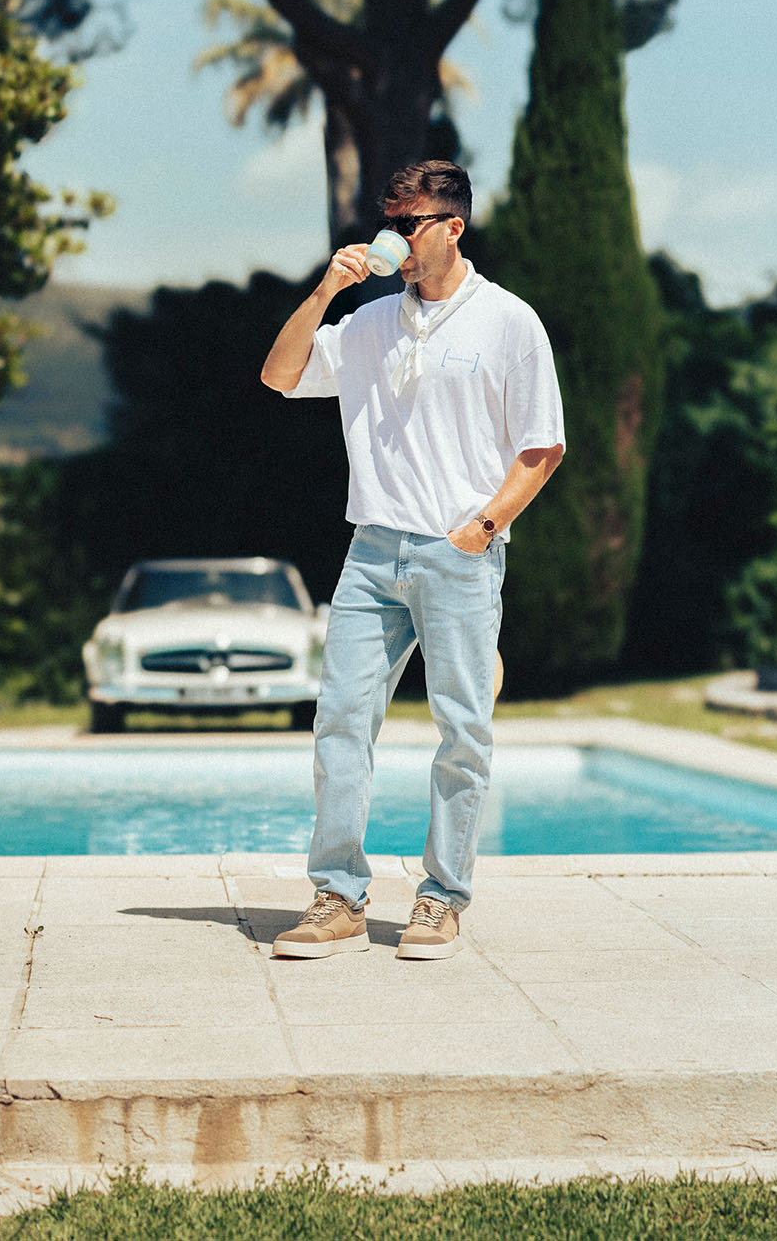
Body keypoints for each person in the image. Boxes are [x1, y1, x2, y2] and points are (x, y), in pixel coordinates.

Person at [261, 160, 564, 960]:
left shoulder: (507, 322)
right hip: (370, 553)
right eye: (386, 221)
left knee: (462, 730)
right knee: (340, 723)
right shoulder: (364, 324)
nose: (392, 236)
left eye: (409, 223)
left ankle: (441, 900)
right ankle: (338, 896)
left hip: (459, 554)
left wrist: (481, 529)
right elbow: (279, 374)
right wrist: (327, 290)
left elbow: (542, 448)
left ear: (453, 227)